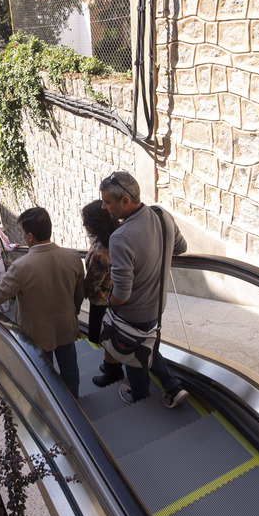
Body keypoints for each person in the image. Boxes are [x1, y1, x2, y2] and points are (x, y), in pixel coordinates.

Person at [0, 207, 84, 397]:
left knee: (44, 372)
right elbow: (79, 294)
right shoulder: (73, 256)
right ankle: (75, 401)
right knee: (70, 367)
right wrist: (72, 312)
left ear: (29, 236)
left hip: (36, 331)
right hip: (66, 325)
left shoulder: (21, 267)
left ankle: (53, 408)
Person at [99, 171, 189, 408]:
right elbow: (180, 247)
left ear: (125, 201)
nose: (104, 207)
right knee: (148, 344)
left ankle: (139, 398)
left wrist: (109, 302)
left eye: (108, 202)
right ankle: (172, 386)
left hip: (133, 315)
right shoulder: (162, 215)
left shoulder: (120, 237)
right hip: (157, 306)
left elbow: (122, 293)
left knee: (135, 355)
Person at [80, 200, 122, 388]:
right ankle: (112, 366)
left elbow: (92, 285)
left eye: (86, 220)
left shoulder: (100, 253)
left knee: (106, 337)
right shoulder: (116, 238)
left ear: (95, 223)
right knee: (112, 334)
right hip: (117, 296)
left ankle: (113, 372)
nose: (84, 224)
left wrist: (76, 294)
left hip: (102, 302)